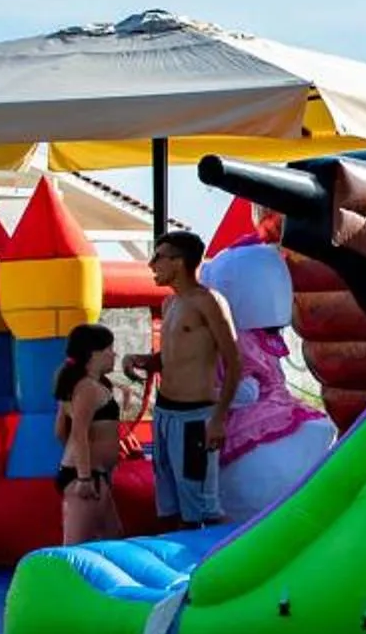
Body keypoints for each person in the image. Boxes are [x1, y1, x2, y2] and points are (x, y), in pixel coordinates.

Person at [138, 231, 237, 528]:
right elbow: (173, 355)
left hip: (195, 418)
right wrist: (148, 361)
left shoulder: (208, 301)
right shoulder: (170, 304)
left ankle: (220, 564)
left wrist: (218, 419)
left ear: (179, 262)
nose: (151, 264)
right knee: (167, 501)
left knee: (202, 505)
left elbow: (234, 363)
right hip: (164, 412)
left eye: (158, 257)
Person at [53, 324, 125, 546]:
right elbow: (78, 432)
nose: (114, 354)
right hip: (84, 477)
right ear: (94, 354)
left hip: (93, 474)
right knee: (75, 548)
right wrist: (84, 475)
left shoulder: (89, 384)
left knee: (115, 540)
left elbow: (60, 431)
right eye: (110, 349)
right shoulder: (87, 388)